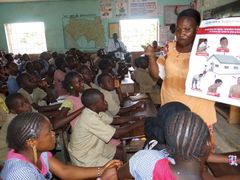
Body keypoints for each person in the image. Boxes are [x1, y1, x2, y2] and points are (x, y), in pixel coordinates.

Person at [146, 8, 217, 144]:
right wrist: (150, 57)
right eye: (178, 29)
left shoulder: (208, 49)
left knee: (200, 152)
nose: (181, 34)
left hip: (199, 110)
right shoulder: (169, 48)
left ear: (197, 29)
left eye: (187, 29)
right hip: (172, 108)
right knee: (174, 151)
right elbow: (156, 75)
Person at [0, 112, 122, 179]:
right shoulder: (20, 174)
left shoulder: (37, 153)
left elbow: (65, 171)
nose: (54, 135)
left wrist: (103, 169)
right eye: (49, 132)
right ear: (32, 142)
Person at [68, 88, 144, 167]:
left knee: (121, 153)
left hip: (93, 147)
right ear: (94, 105)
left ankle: (124, 170)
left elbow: (114, 120)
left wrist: (135, 118)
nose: (106, 102)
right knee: (114, 166)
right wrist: (138, 124)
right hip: (84, 156)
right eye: (103, 101)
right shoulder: (89, 118)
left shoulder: (95, 112)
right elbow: (116, 134)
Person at [0, 93, 32, 165]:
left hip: (14, 151)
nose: (27, 106)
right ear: (13, 111)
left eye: (26, 102)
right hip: (5, 156)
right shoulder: (13, 121)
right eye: (22, 105)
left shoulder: (21, 115)